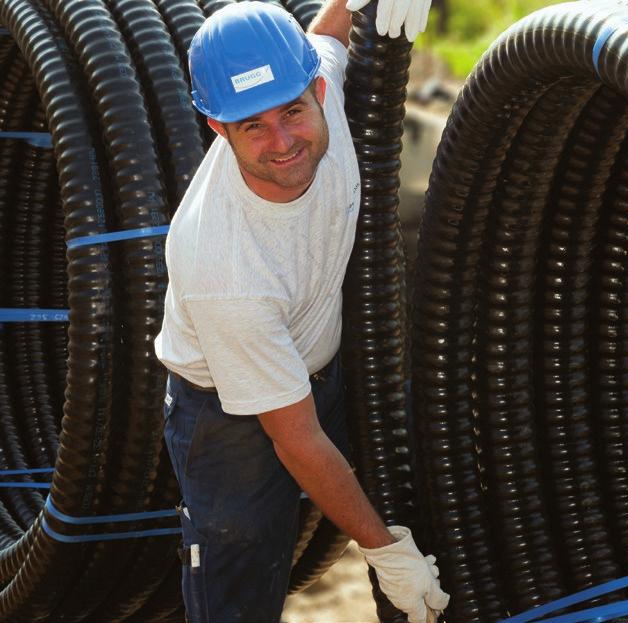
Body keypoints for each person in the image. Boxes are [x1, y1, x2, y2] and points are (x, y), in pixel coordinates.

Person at [153, 1, 448, 622]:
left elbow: (328, 31)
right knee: (241, 581)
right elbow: (299, 439)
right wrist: (385, 553)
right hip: (227, 416)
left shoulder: (324, 88)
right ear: (217, 127)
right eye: (252, 127)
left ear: (317, 88)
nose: (283, 142)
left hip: (323, 360)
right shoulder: (221, 265)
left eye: (292, 111)